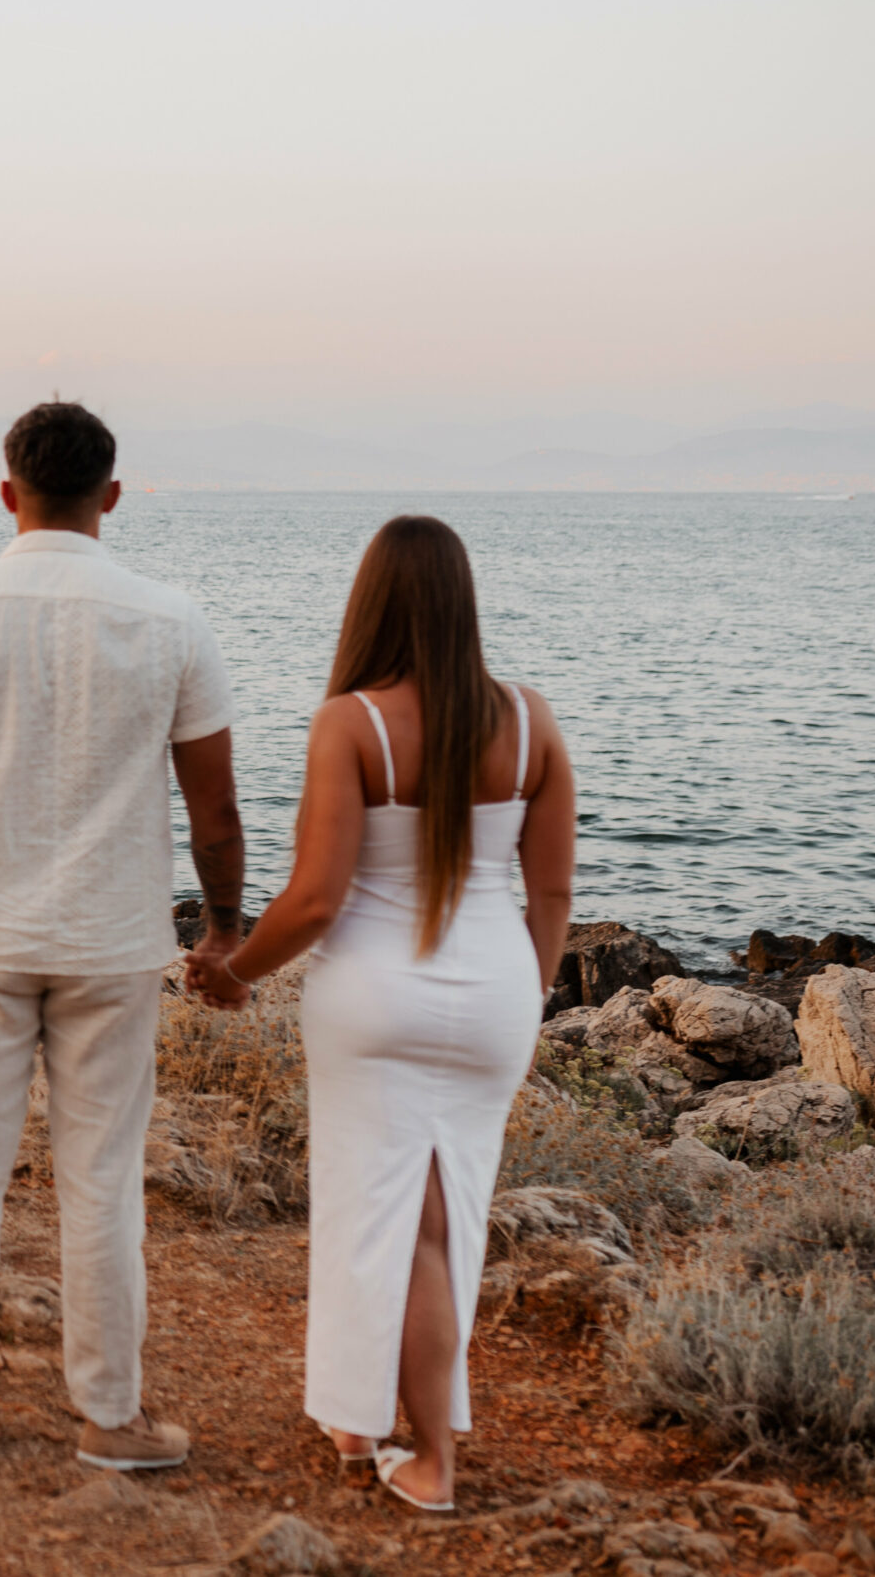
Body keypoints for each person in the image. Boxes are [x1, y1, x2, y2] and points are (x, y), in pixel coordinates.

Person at [0, 401, 247, 1471]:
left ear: (6, 494)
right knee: (100, 1182)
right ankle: (110, 1418)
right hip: (112, 944)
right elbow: (216, 814)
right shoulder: (171, 622)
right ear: (111, 497)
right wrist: (221, 933)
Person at [185, 515, 575, 1514]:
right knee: (440, 1227)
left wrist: (236, 971)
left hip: (371, 996)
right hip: (493, 991)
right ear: (463, 601)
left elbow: (315, 899)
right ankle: (363, 1420)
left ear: (371, 604)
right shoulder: (530, 723)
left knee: (372, 1218)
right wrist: (521, 1000)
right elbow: (551, 899)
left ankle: (421, 1454)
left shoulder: (350, 724)